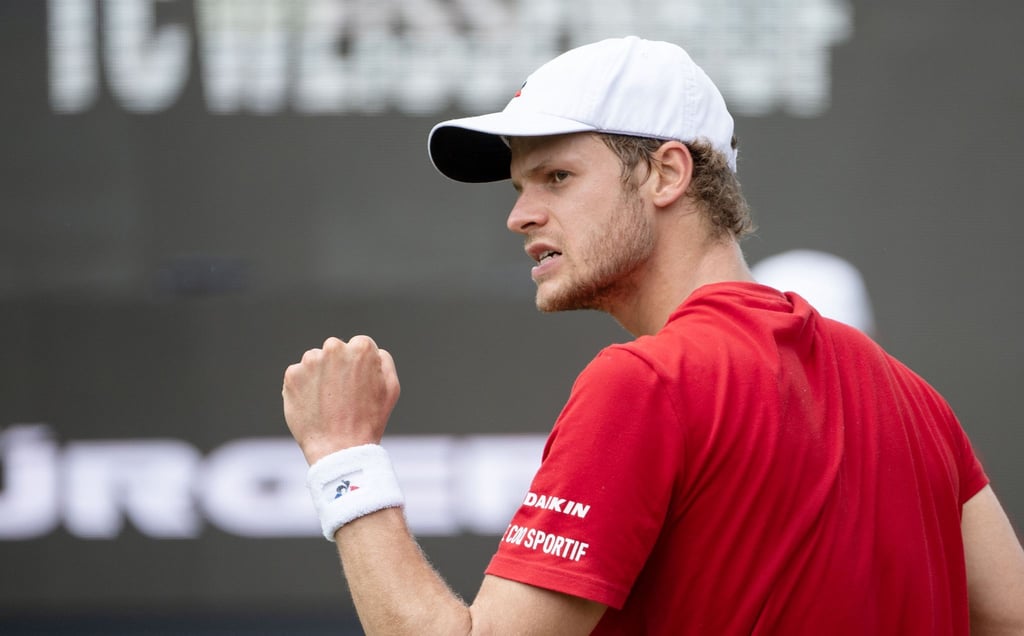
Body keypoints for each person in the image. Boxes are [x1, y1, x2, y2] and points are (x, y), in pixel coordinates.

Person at [282, 36, 1024, 635]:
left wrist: (344, 459)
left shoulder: (647, 383)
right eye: (519, 188)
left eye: (558, 178)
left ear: (667, 172)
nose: (520, 215)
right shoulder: (911, 398)